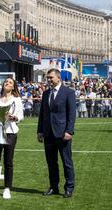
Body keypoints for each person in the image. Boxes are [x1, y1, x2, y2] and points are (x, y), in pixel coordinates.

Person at [37, 68, 76, 198]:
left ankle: (69, 188)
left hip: (62, 133)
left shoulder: (68, 92)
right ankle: (54, 187)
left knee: (67, 162)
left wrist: (69, 131)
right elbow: (42, 113)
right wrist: (40, 131)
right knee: (51, 163)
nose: (48, 80)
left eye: (51, 77)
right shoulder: (46, 93)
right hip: (48, 133)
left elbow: (72, 114)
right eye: (47, 78)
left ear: (58, 78)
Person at [0, 78, 24, 199]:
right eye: (6, 82)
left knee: (8, 161)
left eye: (10, 82)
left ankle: (7, 188)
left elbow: (21, 115)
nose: (7, 83)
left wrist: (15, 118)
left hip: (10, 133)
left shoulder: (16, 100)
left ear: (13, 87)